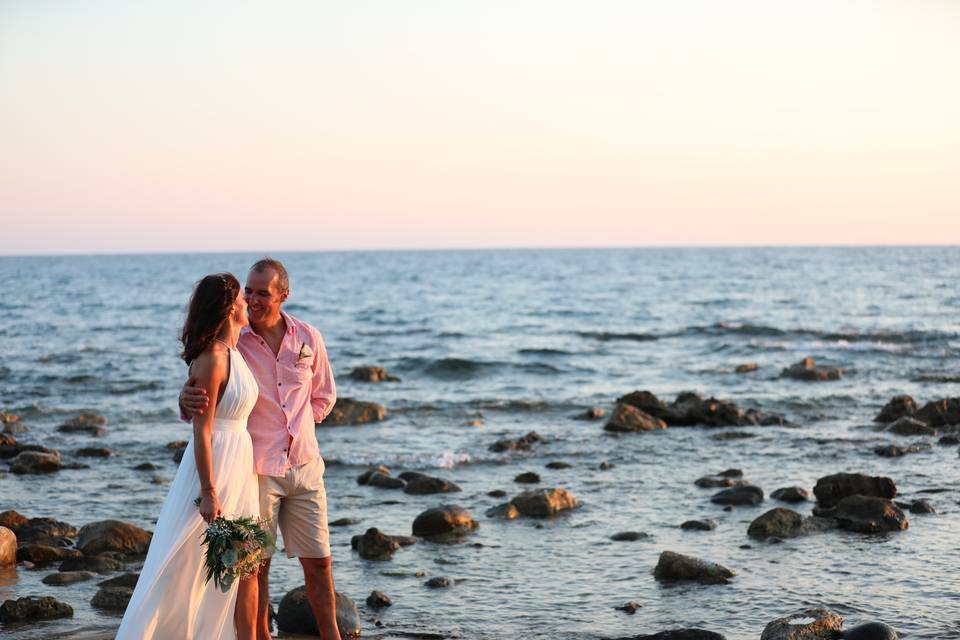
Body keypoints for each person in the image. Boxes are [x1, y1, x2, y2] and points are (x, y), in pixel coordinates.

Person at [180, 258, 340, 640]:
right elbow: (208, 394)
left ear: (283, 295)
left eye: (262, 293)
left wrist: (297, 428)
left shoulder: (308, 337)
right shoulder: (235, 341)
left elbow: (324, 396)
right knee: (255, 566)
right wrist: (184, 400)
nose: (252, 300)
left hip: (304, 467)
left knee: (320, 563)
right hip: (255, 470)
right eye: (248, 292)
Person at [117, 273, 261, 640]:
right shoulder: (212, 358)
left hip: (239, 464)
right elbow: (202, 430)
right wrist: (210, 491)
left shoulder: (235, 352)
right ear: (230, 307)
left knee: (239, 566)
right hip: (215, 466)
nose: (248, 302)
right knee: (185, 561)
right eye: (242, 298)